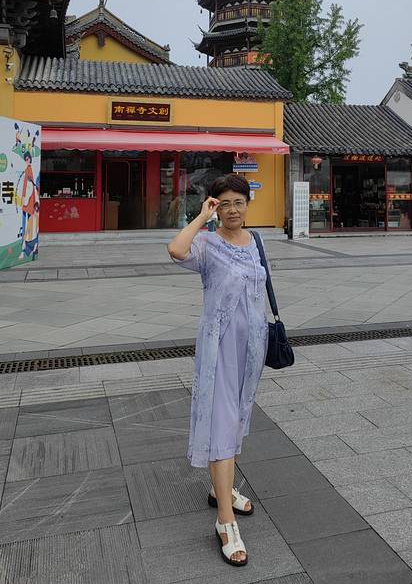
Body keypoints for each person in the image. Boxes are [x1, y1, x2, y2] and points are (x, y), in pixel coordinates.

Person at [167, 174, 269, 567]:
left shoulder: (257, 241)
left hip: (252, 346)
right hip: (220, 347)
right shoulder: (208, 245)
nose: (232, 210)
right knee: (221, 423)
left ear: (247, 204)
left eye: (238, 202)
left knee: (237, 417)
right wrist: (201, 217)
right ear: (215, 207)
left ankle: (220, 490)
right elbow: (176, 250)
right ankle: (225, 521)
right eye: (223, 203)